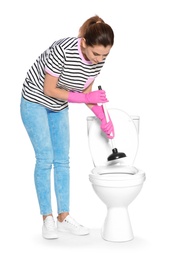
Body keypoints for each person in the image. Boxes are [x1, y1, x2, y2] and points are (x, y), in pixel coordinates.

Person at [20, 15, 115, 239]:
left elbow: (86, 93)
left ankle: (63, 217)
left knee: (63, 159)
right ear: (84, 43)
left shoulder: (97, 60)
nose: (99, 59)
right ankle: (47, 218)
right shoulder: (62, 50)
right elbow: (49, 89)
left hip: (59, 105)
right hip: (34, 101)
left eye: (105, 55)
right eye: (96, 54)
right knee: (46, 158)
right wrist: (86, 99)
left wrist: (103, 117)